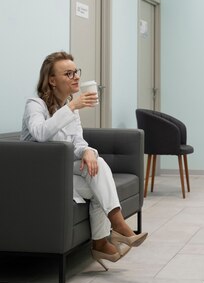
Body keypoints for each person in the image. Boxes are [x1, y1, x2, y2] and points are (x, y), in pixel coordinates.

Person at [21, 51, 148, 270]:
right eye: (68, 74)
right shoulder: (36, 104)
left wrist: (88, 151)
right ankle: (110, 232)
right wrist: (71, 107)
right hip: (40, 176)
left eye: (76, 72)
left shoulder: (71, 107)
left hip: (64, 171)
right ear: (51, 80)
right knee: (98, 179)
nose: (75, 77)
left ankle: (104, 238)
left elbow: (77, 142)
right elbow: (40, 134)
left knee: (96, 168)